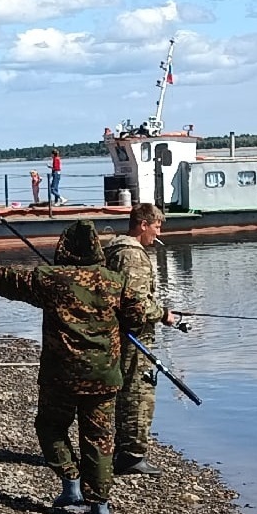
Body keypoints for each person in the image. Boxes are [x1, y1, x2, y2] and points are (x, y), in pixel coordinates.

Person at [0, 220, 130, 514]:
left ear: (63, 248)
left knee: (50, 427)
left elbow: (9, 281)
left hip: (61, 376)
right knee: (99, 438)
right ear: (97, 249)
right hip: (103, 376)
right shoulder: (115, 281)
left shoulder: (49, 279)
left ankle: (70, 483)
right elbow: (137, 315)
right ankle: (100, 506)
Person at [102, 203, 171, 474]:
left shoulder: (114, 250)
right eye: (156, 226)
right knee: (138, 392)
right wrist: (163, 314)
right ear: (143, 224)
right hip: (134, 337)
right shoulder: (133, 255)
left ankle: (121, 449)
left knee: (124, 391)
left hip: (117, 333)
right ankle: (131, 455)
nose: (158, 232)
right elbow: (137, 304)